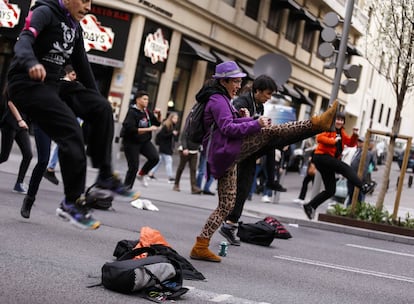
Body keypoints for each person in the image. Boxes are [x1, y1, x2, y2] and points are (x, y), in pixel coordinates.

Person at [189, 61, 338, 261]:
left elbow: (229, 124)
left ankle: (201, 245)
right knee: (270, 133)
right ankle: (316, 124)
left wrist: (247, 120)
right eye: (235, 82)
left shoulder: (222, 98)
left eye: (240, 82)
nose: (239, 86)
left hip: (225, 154)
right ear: (223, 81)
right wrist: (255, 123)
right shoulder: (217, 100)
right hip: (224, 151)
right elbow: (227, 129)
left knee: (226, 206)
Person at [7, 0, 132, 230]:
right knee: (71, 132)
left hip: (53, 84)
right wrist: (31, 61)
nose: (88, 7)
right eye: (84, 0)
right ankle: (71, 203)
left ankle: (104, 178)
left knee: (103, 108)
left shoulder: (75, 28)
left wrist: (96, 105)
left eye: (91, 2)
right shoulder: (44, 12)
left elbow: (82, 66)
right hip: (27, 83)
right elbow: (24, 40)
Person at [219, 75, 288, 245]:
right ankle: (270, 181)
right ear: (257, 91)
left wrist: (262, 125)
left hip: (249, 151)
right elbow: (232, 126)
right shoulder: (241, 102)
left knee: (244, 188)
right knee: (235, 191)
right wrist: (254, 121)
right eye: (267, 94)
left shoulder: (260, 106)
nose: (269, 98)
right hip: (235, 151)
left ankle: (230, 225)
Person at [302, 112, 376, 220]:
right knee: (345, 168)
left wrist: (355, 135)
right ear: (333, 120)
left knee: (331, 190)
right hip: (322, 156)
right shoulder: (328, 128)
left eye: (342, 120)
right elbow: (319, 138)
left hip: (327, 161)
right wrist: (333, 141)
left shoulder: (341, 132)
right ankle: (363, 186)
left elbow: (350, 143)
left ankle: (310, 206)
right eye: (337, 119)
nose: (339, 122)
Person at [44, 65, 80, 186]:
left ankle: (51, 167)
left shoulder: (62, 85)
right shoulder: (65, 85)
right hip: (65, 118)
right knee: (61, 143)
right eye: (73, 75)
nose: (75, 77)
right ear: (67, 73)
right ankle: (50, 168)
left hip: (66, 117)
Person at [122, 90, 161, 189]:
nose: (146, 101)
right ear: (138, 100)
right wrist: (148, 129)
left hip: (144, 142)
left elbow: (157, 124)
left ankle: (142, 174)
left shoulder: (147, 112)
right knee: (133, 167)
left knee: (155, 158)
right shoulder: (132, 112)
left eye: (147, 99)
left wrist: (159, 114)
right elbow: (131, 129)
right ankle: (126, 189)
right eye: (144, 99)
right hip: (131, 142)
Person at [0, 99, 33, 194]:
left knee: (28, 154)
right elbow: (10, 102)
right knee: (4, 156)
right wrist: (20, 120)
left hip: (22, 125)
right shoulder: (18, 84)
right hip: (10, 122)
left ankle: (19, 183)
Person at [148, 112, 179, 182]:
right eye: (174, 118)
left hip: (167, 147)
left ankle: (151, 173)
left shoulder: (173, 126)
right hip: (165, 146)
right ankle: (170, 177)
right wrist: (172, 133)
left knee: (159, 161)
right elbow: (162, 135)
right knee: (169, 161)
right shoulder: (166, 125)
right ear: (171, 118)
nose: (176, 120)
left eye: (177, 118)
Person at [345, 136, 375, 207]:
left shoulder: (366, 153)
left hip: (357, 178)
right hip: (352, 177)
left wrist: (359, 180)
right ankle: (350, 208)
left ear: (365, 143)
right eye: (358, 141)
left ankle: (354, 209)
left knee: (358, 197)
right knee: (351, 195)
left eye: (361, 142)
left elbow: (364, 167)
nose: (359, 143)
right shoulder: (358, 150)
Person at [173, 128, 203, 194]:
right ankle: (176, 184)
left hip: (194, 151)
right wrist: (185, 148)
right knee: (181, 168)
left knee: (193, 169)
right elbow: (183, 138)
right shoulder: (189, 126)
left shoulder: (201, 128)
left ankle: (194, 187)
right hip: (185, 151)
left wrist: (200, 146)